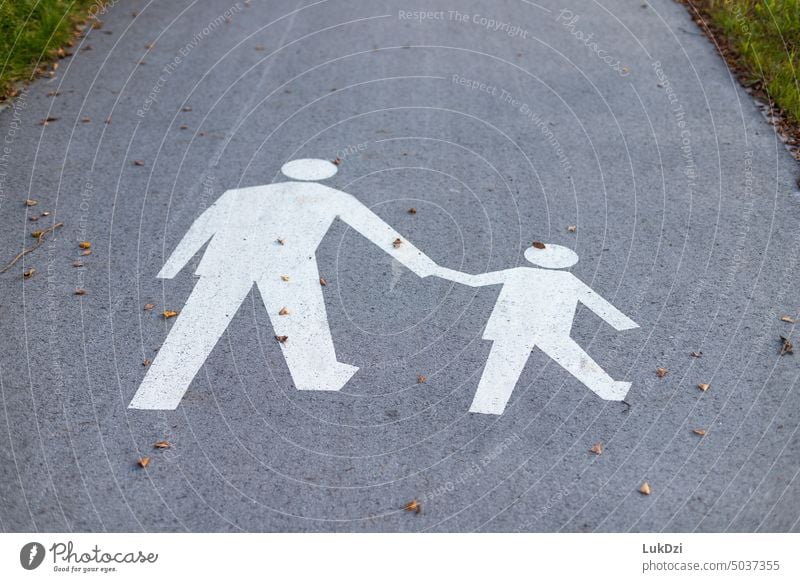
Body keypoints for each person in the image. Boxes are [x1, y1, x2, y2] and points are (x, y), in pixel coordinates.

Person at [129, 159, 437, 410]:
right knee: (301, 319)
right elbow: (378, 232)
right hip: (288, 264)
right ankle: (317, 375)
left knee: (198, 324)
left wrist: (173, 267)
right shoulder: (333, 197)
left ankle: (159, 389)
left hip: (226, 262)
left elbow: (202, 228)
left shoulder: (241, 194)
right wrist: (427, 267)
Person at [434, 243, 638, 414]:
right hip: (550, 329)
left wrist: (437, 270)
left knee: (502, 365)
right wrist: (621, 323)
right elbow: (597, 304)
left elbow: (474, 280)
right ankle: (610, 390)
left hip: (511, 327)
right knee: (573, 358)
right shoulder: (567, 279)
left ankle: (487, 405)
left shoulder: (519, 272)